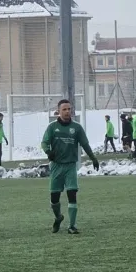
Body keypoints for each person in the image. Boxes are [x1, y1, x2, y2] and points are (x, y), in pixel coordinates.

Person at [41, 99, 99, 234]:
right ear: (59, 111)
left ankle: (72, 226)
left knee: (72, 194)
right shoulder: (52, 127)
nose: (67, 112)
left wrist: (93, 158)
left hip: (70, 166)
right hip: (56, 166)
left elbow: (85, 144)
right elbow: (44, 142)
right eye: (64, 109)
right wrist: (48, 152)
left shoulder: (77, 128)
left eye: (69, 109)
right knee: (54, 198)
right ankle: (58, 217)